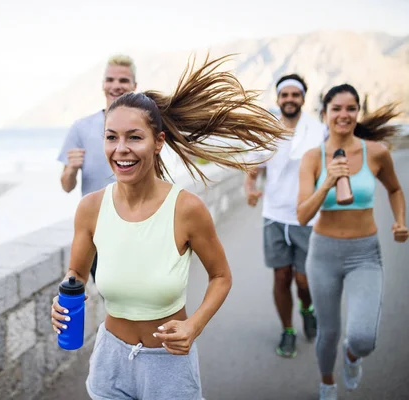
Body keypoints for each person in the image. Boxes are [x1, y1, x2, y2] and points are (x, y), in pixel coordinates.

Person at [51, 54, 289, 400]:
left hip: (169, 366)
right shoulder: (90, 208)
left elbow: (221, 276)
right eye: (111, 138)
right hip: (110, 363)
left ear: (158, 142)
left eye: (134, 138)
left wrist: (195, 325)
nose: (120, 150)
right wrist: (62, 297)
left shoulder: (186, 209)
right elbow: (76, 272)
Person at [297, 84, 407, 400]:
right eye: (337, 108)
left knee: (363, 338)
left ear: (358, 113)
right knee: (328, 332)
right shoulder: (312, 158)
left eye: (351, 108)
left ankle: (352, 356)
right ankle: (328, 383)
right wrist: (328, 182)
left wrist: (400, 221)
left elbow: (395, 190)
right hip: (323, 255)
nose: (344, 115)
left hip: (365, 254)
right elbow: (303, 215)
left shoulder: (376, 152)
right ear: (324, 114)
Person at [244, 74, 324, 358]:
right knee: (281, 277)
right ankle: (288, 330)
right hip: (274, 216)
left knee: (303, 280)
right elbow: (254, 167)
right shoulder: (267, 130)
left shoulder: (318, 130)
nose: (290, 99)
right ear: (278, 99)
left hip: (307, 218)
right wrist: (250, 189)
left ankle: (307, 307)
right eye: (284, 95)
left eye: (295, 94)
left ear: (303, 98)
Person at [57, 54, 137, 282]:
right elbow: (66, 185)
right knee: (110, 296)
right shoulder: (81, 128)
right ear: (103, 84)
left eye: (123, 81)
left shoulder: (146, 127)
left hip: (138, 227)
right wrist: (71, 169)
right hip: (98, 231)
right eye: (110, 80)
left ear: (134, 86)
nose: (116, 86)